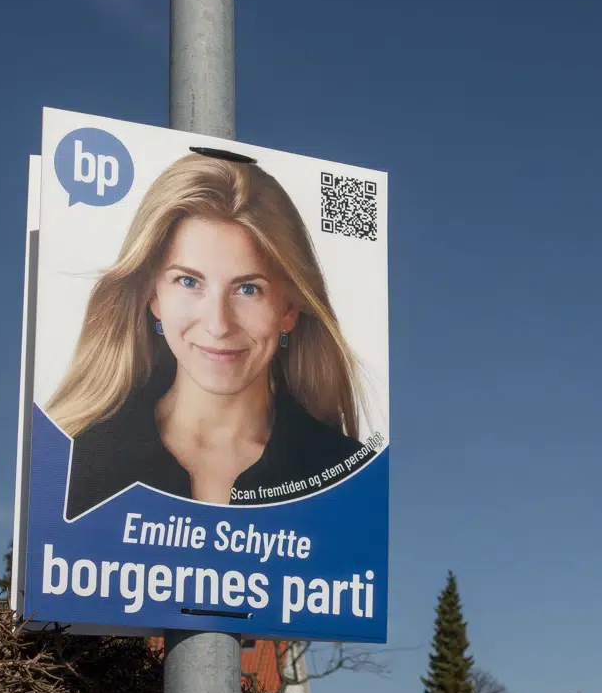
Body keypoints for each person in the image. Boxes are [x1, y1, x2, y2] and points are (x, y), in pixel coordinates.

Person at [47, 150, 371, 519]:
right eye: (188, 281)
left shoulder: (350, 478)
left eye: (248, 289)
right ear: (153, 296)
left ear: (288, 309)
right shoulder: (75, 462)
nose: (218, 324)